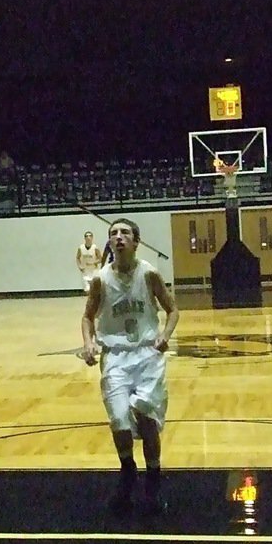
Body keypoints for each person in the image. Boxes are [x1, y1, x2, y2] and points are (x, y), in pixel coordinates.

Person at [80, 218, 179, 516]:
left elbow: (173, 310)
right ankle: (127, 470)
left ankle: (154, 478)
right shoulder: (100, 279)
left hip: (147, 354)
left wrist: (165, 334)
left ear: (136, 242)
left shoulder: (149, 274)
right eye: (113, 233)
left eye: (125, 233)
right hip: (116, 357)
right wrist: (89, 342)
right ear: (109, 242)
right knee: (120, 421)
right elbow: (87, 317)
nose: (118, 237)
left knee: (146, 420)